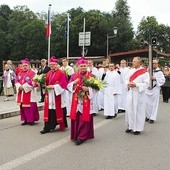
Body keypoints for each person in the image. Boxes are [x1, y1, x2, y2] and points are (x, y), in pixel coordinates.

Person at [67, 56, 95, 145]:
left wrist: (88, 89)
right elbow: (68, 86)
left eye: (84, 66)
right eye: (81, 66)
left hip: (86, 100)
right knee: (76, 118)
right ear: (78, 66)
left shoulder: (91, 76)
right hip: (76, 100)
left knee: (84, 119)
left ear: (87, 66)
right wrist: (73, 83)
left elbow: (96, 88)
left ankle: (82, 137)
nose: (83, 67)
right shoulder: (74, 76)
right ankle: (75, 135)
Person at [40, 56, 68, 134]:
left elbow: (63, 85)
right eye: (50, 64)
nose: (51, 66)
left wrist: (53, 87)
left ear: (56, 64)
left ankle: (60, 123)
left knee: (58, 110)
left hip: (57, 95)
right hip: (49, 95)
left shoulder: (61, 73)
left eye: (53, 64)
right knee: (49, 110)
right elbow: (46, 82)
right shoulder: (48, 73)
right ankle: (47, 127)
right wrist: (43, 84)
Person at [125, 57, 149, 135]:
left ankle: (137, 128)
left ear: (139, 63)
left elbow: (146, 84)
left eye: (134, 61)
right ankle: (130, 126)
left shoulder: (144, 72)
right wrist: (128, 84)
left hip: (139, 94)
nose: (132, 62)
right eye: (132, 61)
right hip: (130, 93)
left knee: (138, 111)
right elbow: (125, 79)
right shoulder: (130, 71)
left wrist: (136, 84)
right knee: (129, 110)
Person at [15, 58, 39, 125]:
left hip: (29, 93)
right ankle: (25, 119)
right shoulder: (19, 73)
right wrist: (19, 86)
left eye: (26, 65)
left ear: (29, 66)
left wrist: (23, 87)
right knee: (23, 107)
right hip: (21, 92)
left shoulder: (32, 73)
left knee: (30, 107)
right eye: (23, 66)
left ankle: (31, 120)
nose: (24, 67)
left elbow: (33, 82)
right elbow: (16, 81)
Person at [145, 60, 165, 124]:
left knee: (154, 104)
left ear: (157, 64)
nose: (154, 64)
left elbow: (162, 81)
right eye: (153, 63)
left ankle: (152, 117)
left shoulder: (160, 72)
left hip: (155, 89)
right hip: (147, 89)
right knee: (147, 103)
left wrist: (155, 78)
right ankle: (148, 116)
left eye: (155, 63)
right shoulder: (147, 71)